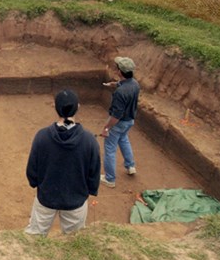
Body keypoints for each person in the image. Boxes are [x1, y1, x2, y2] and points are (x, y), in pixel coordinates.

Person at [25, 89, 100, 236]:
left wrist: (36, 183)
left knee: (34, 237)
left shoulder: (42, 136)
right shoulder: (89, 140)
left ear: (55, 107)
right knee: (74, 241)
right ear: (77, 107)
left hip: (46, 197)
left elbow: (32, 170)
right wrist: (90, 190)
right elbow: (94, 172)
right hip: (75, 200)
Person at [100, 57, 139, 188]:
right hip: (129, 121)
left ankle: (110, 179)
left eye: (117, 68)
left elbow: (116, 116)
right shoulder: (135, 84)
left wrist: (106, 128)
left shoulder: (120, 93)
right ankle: (130, 166)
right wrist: (114, 84)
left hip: (119, 123)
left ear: (120, 72)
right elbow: (125, 85)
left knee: (110, 148)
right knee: (123, 140)